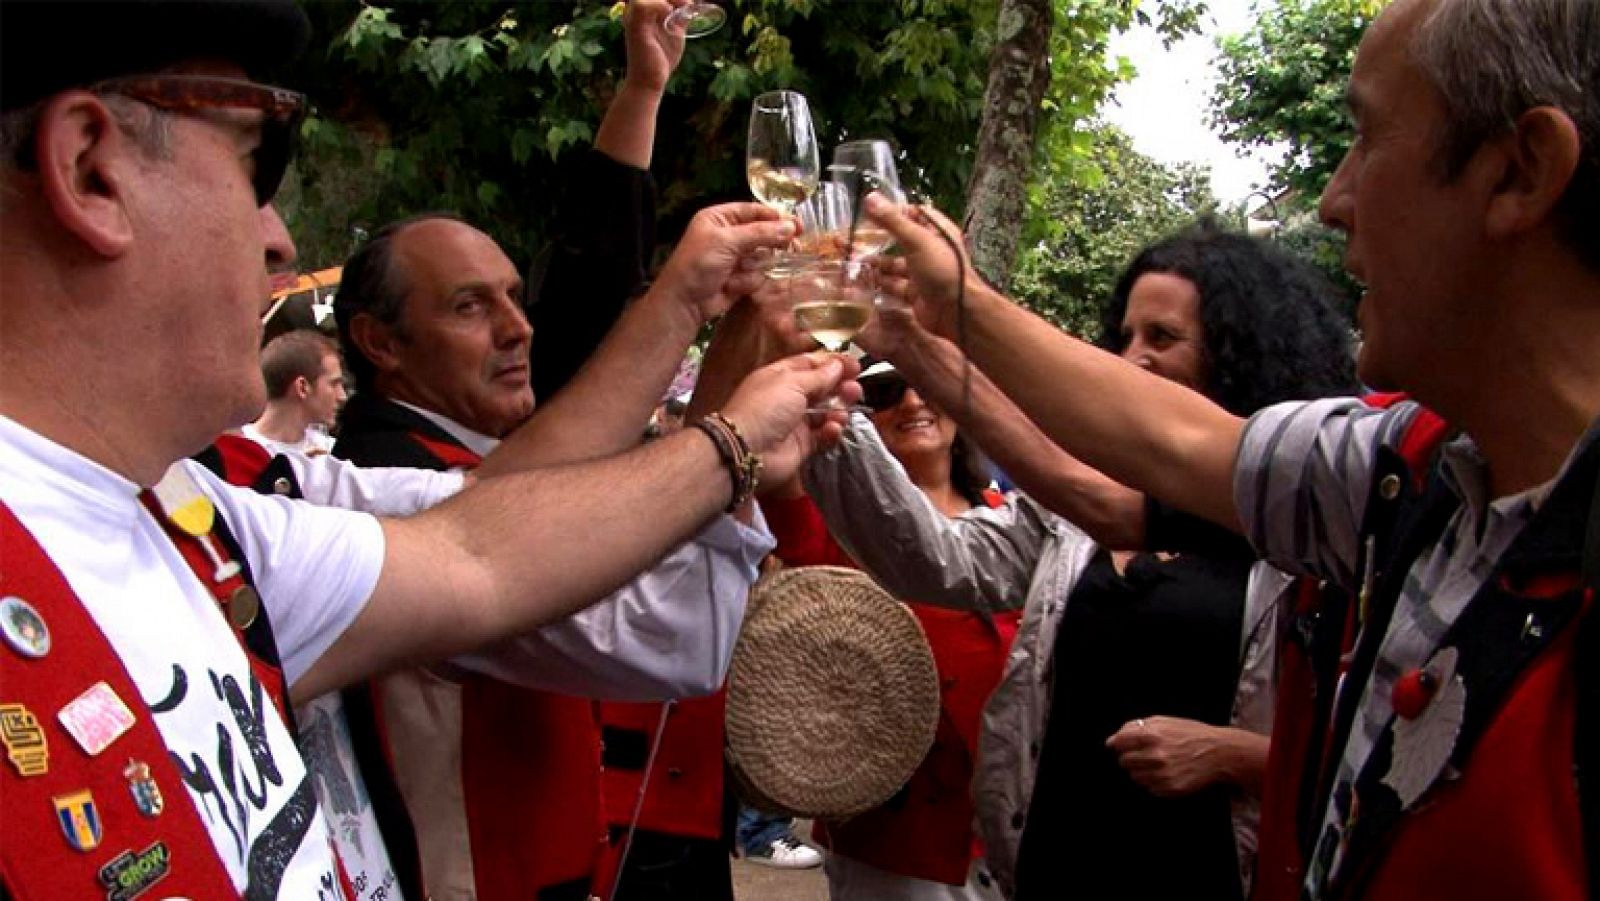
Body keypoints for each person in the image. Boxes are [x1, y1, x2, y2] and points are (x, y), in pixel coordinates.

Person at [0, 2, 856, 898]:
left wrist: (721, 409)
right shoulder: (273, 493)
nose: (280, 238)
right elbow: (514, 550)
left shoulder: (209, 526)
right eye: (258, 159)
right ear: (90, 170)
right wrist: (727, 432)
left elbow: (474, 541)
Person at [865, 0, 1599, 896]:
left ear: (1521, 172)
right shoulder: (1401, 473)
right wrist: (940, 325)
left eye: (1365, 138)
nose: (1333, 202)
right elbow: (1163, 453)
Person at [811, 227, 1357, 900]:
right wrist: (857, 393)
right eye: (1124, 337)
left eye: (1162, 338)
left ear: (1240, 351)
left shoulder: (1306, 527)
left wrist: (1232, 754)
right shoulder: (1083, 511)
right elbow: (940, 557)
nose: (1132, 359)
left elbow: (1369, 754)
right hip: (1054, 869)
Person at [762, 358, 1018, 900]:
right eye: (885, 391)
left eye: (926, 384)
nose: (912, 402)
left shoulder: (1011, 525)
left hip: (1008, 827)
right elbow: (775, 480)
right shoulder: (838, 526)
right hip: (897, 839)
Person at [243, 329, 347, 456]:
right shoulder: (237, 451)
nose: (342, 396)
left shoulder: (329, 451)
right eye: (334, 384)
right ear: (302, 387)